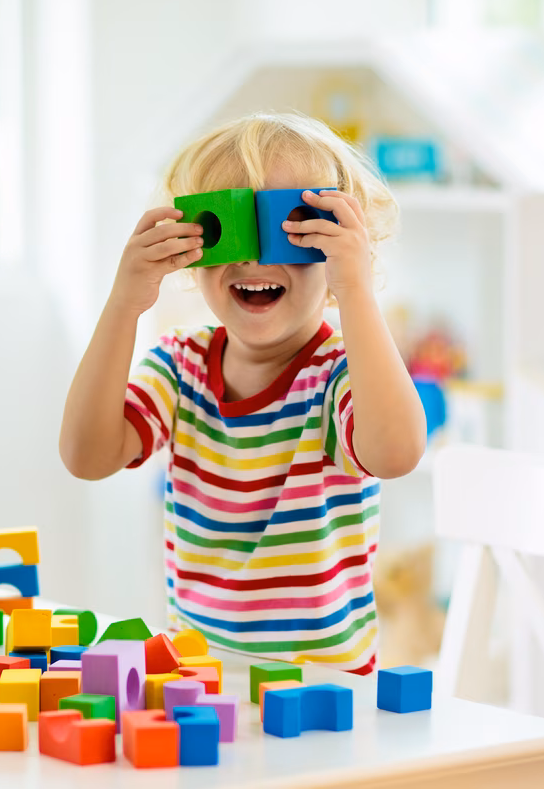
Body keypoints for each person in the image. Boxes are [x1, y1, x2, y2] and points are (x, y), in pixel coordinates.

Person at [59, 111, 426, 674]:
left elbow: (396, 453)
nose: (253, 258)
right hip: (202, 678)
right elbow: (86, 456)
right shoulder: (180, 368)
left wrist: (355, 289)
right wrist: (124, 304)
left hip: (321, 686)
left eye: (294, 229)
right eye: (225, 229)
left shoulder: (337, 377)